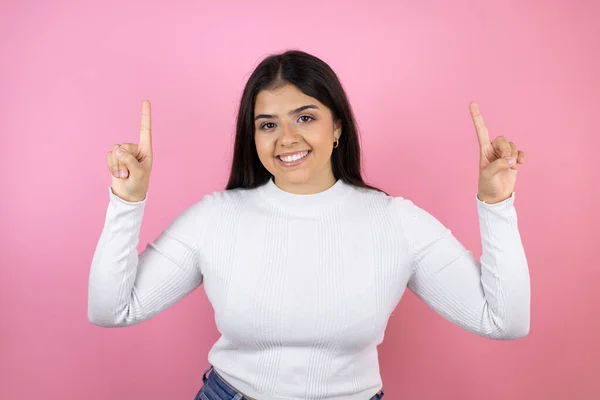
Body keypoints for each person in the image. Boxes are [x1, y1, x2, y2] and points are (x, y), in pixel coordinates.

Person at [88, 50, 530, 400]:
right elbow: (112, 309)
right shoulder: (216, 217)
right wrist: (127, 200)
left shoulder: (395, 221)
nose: (286, 138)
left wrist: (496, 204)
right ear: (253, 136)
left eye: (305, 117)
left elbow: (504, 320)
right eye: (267, 124)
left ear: (336, 126)